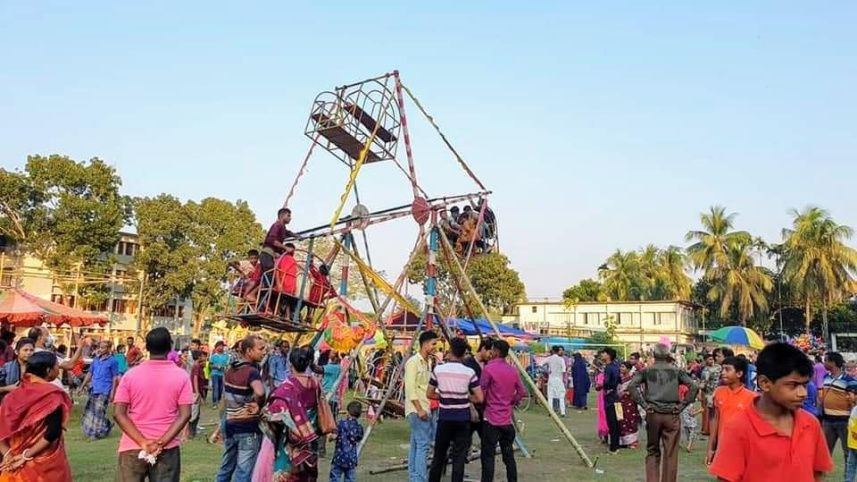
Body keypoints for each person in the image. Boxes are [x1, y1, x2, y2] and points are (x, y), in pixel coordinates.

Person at [709, 343, 833, 481]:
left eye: (804, 385)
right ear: (764, 383)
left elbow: (817, 475)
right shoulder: (738, 428)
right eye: (793, 385)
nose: (802, 393)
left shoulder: (810, 424)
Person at [112, 327, 193, 481]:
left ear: (147, 347)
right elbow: (185, 414)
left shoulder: (130, 375)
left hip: (133, 445)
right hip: (167, 447)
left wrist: (142, 441)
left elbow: (118, 413)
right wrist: (161, 443)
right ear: (170, 347)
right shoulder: (181, 376)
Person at [628, 344, 698, 482]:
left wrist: (644, 404)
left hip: (653, 413)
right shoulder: (677, 371)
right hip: (672, 414)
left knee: (652, 450)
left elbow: (631, 386)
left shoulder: (646, 371)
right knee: (671, 453)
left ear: (653, 355)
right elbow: (694, 386)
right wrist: (682, 405)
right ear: (668, 355)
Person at [0, 351, 72, 481]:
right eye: (57, 365)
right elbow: (52, 433)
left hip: (13, 462)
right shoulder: (52, 395)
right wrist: (25, 456)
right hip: (43, 463)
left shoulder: (11, 396)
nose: (59, 369)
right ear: (49, 371)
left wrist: (7, 454)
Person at [253, 346, 320, 481]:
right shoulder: (315, 383)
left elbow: (274, 412)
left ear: (290, 365)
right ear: (308, 363)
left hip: (290, 437)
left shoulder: (287, 387)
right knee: (306, 468)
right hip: (310, 432)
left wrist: (262, 412)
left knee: (286, 470)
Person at [427, 337, 483, 482]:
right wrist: (464, 397)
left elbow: (430, 393)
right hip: (462, 420)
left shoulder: (438, 370)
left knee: (439, 456)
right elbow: (479, 398)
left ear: (450, 351)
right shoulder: (469, 372)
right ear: (464, 354)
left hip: (445, 418)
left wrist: (444, 395)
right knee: (459, 458)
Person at [216, 335, 267, 482]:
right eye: (261, 349)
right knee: (244, 472)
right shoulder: (252, 372)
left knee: (226, 466)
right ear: (249, 351)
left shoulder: (230, 369)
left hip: (230, 424)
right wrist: (259, 404)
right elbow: (260, 392)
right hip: (247, 427)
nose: (264, 352)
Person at [479, 339, 525, 482]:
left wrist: (484, 403)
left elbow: (482, 392)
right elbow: (522, 391)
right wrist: (512, 401)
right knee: (509, 456)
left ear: (497, 351)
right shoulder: (512, 370)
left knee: (488, 457)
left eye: (492, 350)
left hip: (491, 418)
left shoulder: (488, 369)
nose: (490, 352)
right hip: (506, 420)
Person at [706, 356, 756, 467]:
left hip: (742, 449)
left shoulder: (751, 397)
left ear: (739, 374)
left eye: (727, 370)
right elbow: (715, 421)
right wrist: (711, 448)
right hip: (722, 447)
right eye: (722, 369)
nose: (723, 373)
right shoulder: (719, 392)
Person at [404, 331, 438, 482]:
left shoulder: (428, 362)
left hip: (425, 407)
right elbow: (410, 389)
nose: (435, 347)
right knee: (423, 445)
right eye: (433, 344)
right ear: (425, 344)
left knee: (416, 445)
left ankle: (414, 477)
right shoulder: (413, 362)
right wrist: (419, 409)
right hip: (417, 409)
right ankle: (420, 479)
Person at [820, 351, 855, 467]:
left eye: (826, 360)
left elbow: (854, 401)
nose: (824, 363)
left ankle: (848, 474)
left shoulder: (849, 380)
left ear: (833, 362)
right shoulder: (825, 377)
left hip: (844, 421)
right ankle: (822, 472)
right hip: (827, 420)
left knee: (847, 452)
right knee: (825, 450)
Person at [27, 326, 88, 391]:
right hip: (48, 390)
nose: (49, 337)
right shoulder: (45, 355)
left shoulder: (28, 353)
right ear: (39, 337)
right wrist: (80, 346)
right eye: (47, 335)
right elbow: (69, 365)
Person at [80, 340, 120, 441]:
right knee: (91, 411)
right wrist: (82, 385)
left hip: (105, 389)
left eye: (103, 348)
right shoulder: (96, 360)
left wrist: (113, 392)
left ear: (109, 349)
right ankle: (107, 424)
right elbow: (90, 373)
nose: (100, 349)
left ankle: (95, 433)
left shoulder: (113, 361)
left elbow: (115, 377)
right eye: (100, 347)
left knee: (99, 411)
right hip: (94, 388)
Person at [312, 350, 342, 458]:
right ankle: (323, 447)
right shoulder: (334, 366)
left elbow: (317, 369)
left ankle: (321, 448)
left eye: (332, 352)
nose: (330, 353)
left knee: (323, 423)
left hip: (329, 397)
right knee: (328, 424)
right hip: (331, 397)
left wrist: (309, 359)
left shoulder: (334, 367)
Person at [259, 208, 296, 290]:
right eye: (288, 216)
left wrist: (298, 236)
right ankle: (253, 293)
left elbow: (288, 233)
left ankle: (257, 292)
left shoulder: (282, 228)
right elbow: (272, 240)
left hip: (270, 255)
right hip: (267, 254)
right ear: (282, 216)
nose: (290, 218)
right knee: (271, 277)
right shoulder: (277, 225)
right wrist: (285, 247)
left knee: (270, 278)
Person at [330, 401, 364, 482]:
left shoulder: (340, 423)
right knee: (350, 479)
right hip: (351, 458)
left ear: (347, 412)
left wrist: (330, 437)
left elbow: (334, 436)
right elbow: (359, 438)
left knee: (335, 477)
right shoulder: (359, 427)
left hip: (339, 457)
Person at [600, 348, 622, 454]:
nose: (602, 355)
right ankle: (616, 445)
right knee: (617, 422)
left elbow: (608, 383)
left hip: (610, 399)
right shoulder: (617, 366)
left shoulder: (609, 368)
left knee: (612, 422)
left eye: (603, 353)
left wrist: (602, 385)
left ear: (608, 355)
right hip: (618, 398)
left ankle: (613, 447)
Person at [617, 361, 641, 449]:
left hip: (629, 402)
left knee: (630, 419)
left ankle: (632, 441)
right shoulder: (618, 378)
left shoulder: (632, 379)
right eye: (620, 366)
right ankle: (622, 441)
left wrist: (627, 392)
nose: (621, 368)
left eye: (623, 367)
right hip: (618, 402)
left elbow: (637, 390)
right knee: (620, 420)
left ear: (628, 369)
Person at [699, 353, 721, 436]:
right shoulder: (717, 368)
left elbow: (703, 383)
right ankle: (708, 429)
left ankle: (708, 429)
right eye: (710, 359)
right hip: (711, 392)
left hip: (712, 392)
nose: (711, 361)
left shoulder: (710, 369)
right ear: (705, 361)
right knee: (710, 411)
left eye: (712, 359)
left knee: (709, 412)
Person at [542, 346, 567, 417]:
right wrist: (563, 379)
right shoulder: (561, 359)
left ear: (552, 351)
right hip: (559, 379)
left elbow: (540, 364)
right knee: (561, 396)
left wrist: (547, 371)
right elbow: (564, 370)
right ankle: (563, 412)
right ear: (558, 351)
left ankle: (550, 412)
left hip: (551, 379)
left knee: (550, 396)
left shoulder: (549, 359)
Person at [189, 350, 208, 439]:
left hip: (196, 392)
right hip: (194, 392)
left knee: (197, 413)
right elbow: (195, 379)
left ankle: (193, 432)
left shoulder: (198, 366)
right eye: (202, 356)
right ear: (199, 357)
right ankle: (190, 433)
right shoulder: (196, 366)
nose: (204, 358)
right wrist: (197, 393)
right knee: (194, 413)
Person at [210, 341, 229, 407]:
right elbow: (211, 365)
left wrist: (224, 367)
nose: (221, 347)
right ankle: (215, 402)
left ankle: (219, 400)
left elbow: (228, 365)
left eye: (222, 346)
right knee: (216, 387)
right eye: (220, 346)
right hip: (215, 373)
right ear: (216, 347)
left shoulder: (226, 356)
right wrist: (216, 366)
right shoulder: (213, 356)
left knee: (221, 388)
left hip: (223, 374)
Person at [845, 386, 857, 482]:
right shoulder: (854, 408)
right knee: (850, 466)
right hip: (852, 444)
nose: (847, 397)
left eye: (849, 394)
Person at [595, 365, 609, 443]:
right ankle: (605, 436)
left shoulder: (602, 375)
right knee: (603, 415)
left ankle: (606, 436)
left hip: (607, 396)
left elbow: (598, 387)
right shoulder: (601, 375)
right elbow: (597, 387)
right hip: (603, 397)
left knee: (605, 415)